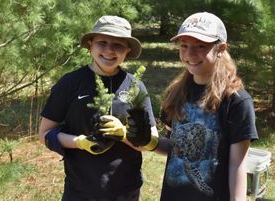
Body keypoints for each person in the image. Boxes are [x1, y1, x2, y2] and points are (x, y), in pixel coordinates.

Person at [100, 12, 259, 201]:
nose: (190, 54)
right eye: (184, 46)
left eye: (200, 46)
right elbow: (174, 147)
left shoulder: (236, 100)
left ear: (220, 49)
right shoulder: (177, 92)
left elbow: (238, 165)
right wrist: (148, 141)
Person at [38, 15, 158, 201]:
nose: (109, 50)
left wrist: (125, 134)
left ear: (127, 50)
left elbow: (152, 140)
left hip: (126, 189)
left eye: (118, 45)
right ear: (90, 45)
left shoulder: (135, 87)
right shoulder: (70, 83)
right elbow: (45, 133)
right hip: (80, 189)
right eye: (102, 42)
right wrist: (80, 142)